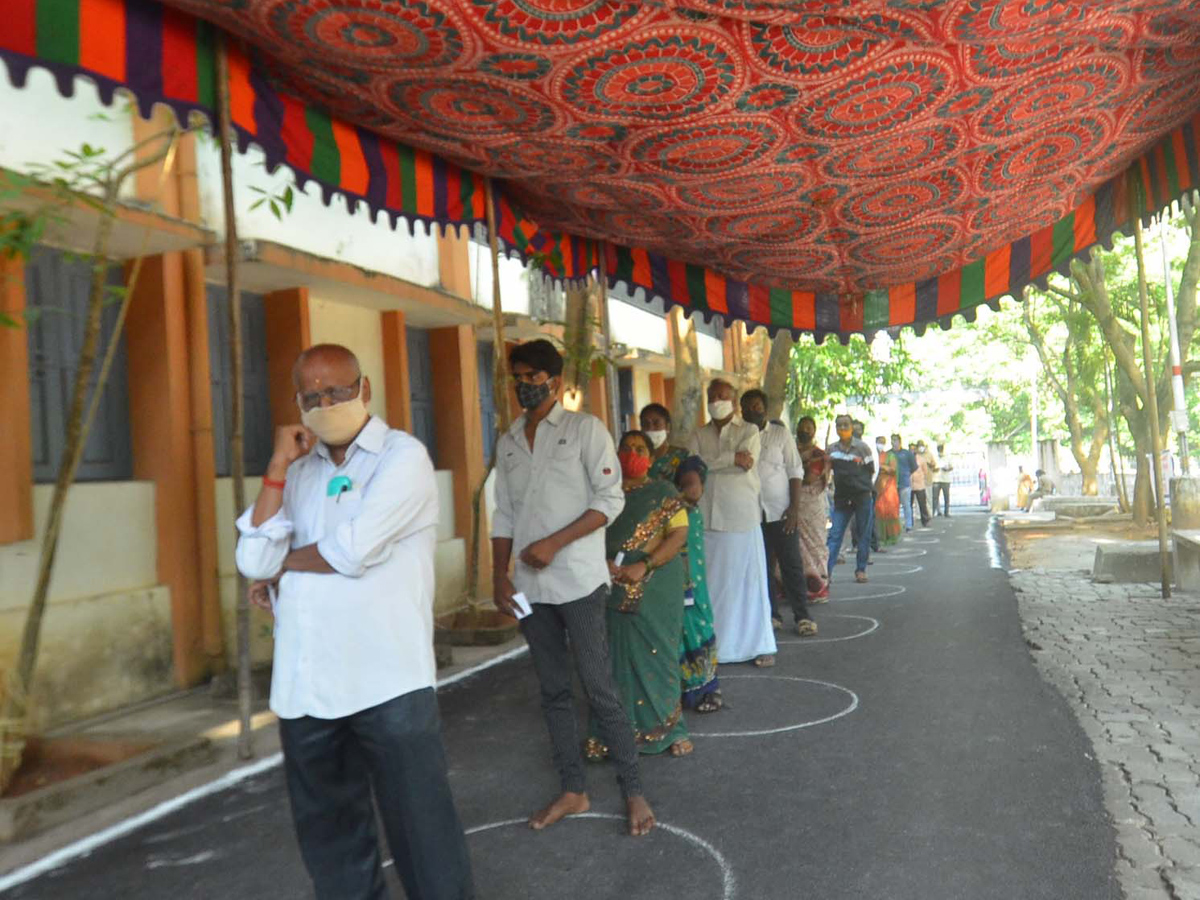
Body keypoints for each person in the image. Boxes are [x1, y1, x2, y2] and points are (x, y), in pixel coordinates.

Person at [235, 343, 474, 900]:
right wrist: (275, 467)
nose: (325, 403)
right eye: (311, 396)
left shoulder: (401, 457)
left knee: (424, 838)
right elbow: (250, 560)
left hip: (388, 682)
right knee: (333, 843)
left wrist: (281, 564)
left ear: (364, 390)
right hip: (308, 688)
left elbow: (351, 550)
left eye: (337, 391)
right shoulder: (297, 473)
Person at [490, 339, 655, 837]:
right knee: (553, 690)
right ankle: (573, 789)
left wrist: (554, 543)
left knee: (599, 687)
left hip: (580, 581)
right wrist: (500, 574)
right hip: (528, 587)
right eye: (517, 376)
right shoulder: (509, 440)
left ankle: (634, 789)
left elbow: (610, 501)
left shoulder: (586, 430)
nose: (524, 385)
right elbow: (503, 513)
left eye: (533, 377)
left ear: (555, 382)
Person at [586, 431, 692, 760]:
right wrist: (597, 561)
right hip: (609, 582)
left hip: (657, 584)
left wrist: (644, 565)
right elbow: (587, 534)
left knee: (659, 654)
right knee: (611, 660)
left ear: (650, 455)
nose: (632, 453)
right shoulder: (602, 495)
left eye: (640, 448)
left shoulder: (664, 491)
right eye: (626, 448)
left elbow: (678, 534)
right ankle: (610, 734)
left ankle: (670, 729)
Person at [686, 379, 778, 667]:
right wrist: (728, 459)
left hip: (742, 518)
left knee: (749, 585)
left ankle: (758, 645)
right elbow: (692, 466)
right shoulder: (698, 433)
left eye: (722, 396)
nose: (716, 400)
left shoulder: (749, 431)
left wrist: (710, 462)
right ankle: (716, 647)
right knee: (712, 587)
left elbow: (746, 463)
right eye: (712, 396)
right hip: (707, 520)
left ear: (734, 401)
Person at [741, 389, 817, 638]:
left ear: (765, 408)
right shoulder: (738, 435)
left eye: (757, 405)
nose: (754, 410)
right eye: (748, 407)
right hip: (751, 513)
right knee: (761, 566)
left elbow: (795, 471)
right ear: (742, 411)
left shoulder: (780, 434)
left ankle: (803, 616)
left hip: (781, 511)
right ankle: (771, 615)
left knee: (791, 564)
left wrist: (794, 508)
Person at [675, 456, 722, 713]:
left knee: (700, 625)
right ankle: (684, 690)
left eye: (695, 483)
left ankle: (708, 688)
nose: (691, 489)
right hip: (675, 581)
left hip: (696, 584)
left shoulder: (693, 513)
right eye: (684, 484)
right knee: (679, 632)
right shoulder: (671, 511)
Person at [826, 414, 876, 584]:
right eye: (839, 425)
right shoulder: (832, 450)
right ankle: (826, 572)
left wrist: (866, 489)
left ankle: (861, 569)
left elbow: (871, 470)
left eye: (846, 425)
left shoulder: (863, 448)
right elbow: (826, 470)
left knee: (863, 533)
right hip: (841, 498)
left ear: (852, 427)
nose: (843, 428)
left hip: (862, 496)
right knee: (834, 535)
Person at [796, 416, 831, 601]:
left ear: (814, 431)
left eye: (809, 427)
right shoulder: (790, 451)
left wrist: (792, 474)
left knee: (816, 544)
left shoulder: (819, 455)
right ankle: (795, 586)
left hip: (812, 506)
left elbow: (809, 478)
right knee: (796, 545)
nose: (805, 431)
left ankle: (819, 586)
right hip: (792, 504)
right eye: (802, 427)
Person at [640, 403, 689, 482]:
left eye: (656, 424)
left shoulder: (681, 456)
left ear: (667, 427)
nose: (650, 428)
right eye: (646, 424)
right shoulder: (637, 458)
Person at [874, 437, 902, 547]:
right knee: (879, 511)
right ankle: (880, 538)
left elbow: (893, 469)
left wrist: (882, 467)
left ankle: (892, 536)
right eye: (878, 442)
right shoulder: (874, 455)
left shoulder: (890, 456)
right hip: (877, 487)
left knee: (890, 511)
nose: (880, 444)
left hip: (889, 488)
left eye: (882, 443)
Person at [892, 434, 917, 531]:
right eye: (892, 440)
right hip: (892, 484)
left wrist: (907, 473)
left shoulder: (907, 454)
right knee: (894, 506)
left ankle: (908, 525)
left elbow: (914, 466)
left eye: (895, 440)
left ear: (899, 441)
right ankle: (895, 526)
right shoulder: (889, 453)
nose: (893, 442)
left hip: (905, 483)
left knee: (906, 505)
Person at [910, 441, 932, 527]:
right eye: (910, 449)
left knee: (922, 504)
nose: (912, 451)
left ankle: (925, 520)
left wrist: (921, 477)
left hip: (920, 485)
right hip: (910, 485)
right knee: (909, 505)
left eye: (913, 449)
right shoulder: (907, 459)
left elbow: (925, 471)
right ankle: (910, 521)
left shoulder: (921, 459)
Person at [931, 443, 952, 517]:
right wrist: (934, 469)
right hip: (936, 479)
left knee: (946, 497)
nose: (940, 451)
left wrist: (947, 469)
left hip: (945, 479)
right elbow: (931, 467)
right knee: (934, 497)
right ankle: (933, 512)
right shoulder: (934, 457)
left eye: (941, 449)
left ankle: (946, 512)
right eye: (939, 449)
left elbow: (951, 467)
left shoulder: (947, 457)